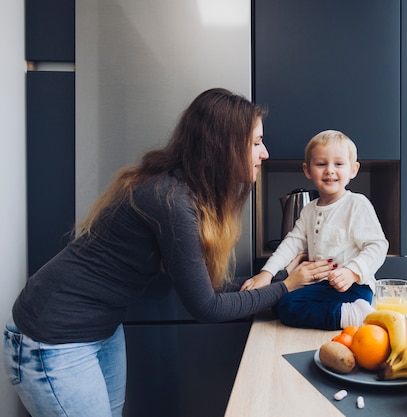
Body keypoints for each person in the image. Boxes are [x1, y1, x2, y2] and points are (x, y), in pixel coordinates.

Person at [2, 88, 336, 417]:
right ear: (224, 146)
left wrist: (278, 277)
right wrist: (286, 286)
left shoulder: (183, 193)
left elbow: (203, 286)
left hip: (100, 329)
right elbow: (206, 307)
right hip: (51, 338)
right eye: (256, 142)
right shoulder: (171, 201)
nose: (265, 153)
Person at [240, 129, 389, 330]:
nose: (329, 170)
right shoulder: (309, 210)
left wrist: (352, 272)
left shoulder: (357, 204)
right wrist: (266, 273)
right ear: (307, 170)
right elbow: (291, 243)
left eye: (338, 164)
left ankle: (351, 315)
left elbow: (378, 246)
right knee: (275, 301)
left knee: (287, 306)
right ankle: (344, 312)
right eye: (321, 164)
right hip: (322, 286)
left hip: (353, 287)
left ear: (353, 170)